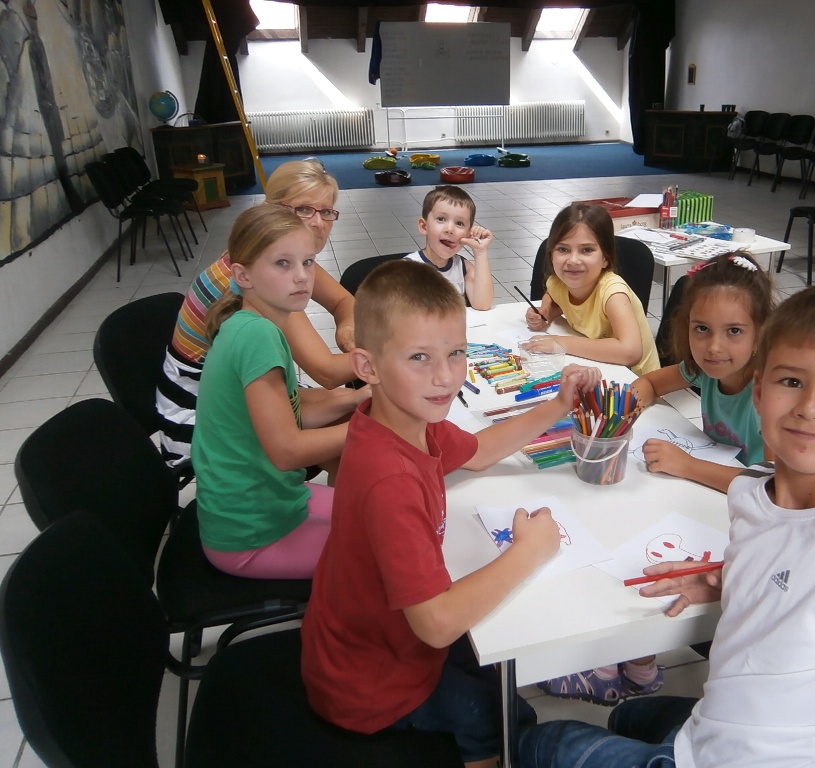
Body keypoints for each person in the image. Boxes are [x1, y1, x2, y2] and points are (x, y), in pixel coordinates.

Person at [518, 283, 815, 768]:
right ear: (759, 393)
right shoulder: (753, 488)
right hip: (718, 727)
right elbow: (797, 561)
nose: (811, 407)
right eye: (792, 382)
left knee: (543, 742)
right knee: (629, 716)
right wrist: (732, 579)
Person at [300, 259, 603, 768]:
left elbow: (480, 450)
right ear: (367, 367)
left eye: (455, 352)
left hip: (377, 641)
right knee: (499, 718)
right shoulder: (390, 480)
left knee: (503, 681)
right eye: (419, 357)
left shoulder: (405, 418)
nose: (444, 377)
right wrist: (529, 551)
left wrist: (556, 405)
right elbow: (437, 623)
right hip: (369, 684)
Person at [192, 205, 366, 580]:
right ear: (243, 275)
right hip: (251, 534)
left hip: (276, 502)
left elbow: (290, 411)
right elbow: (287, 450)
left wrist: (358, 398)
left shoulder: (250, 321)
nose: (302, 276)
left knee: (377, 511)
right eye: (283, 264)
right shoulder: (257, 336)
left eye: (308, 262)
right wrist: (373, 427)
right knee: (390, 547)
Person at [156, 158, 358, 469]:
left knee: (356, 411)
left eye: (326, 212)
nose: (318, 223)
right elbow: (327, 372)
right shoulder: (261, 285)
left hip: (238, 390)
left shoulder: (274, 254)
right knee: (356, 435)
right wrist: (400, 357)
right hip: (197, 416)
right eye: (304, 209)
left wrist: (346, 327)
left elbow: (343, 301)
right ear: (271, 209)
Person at [631, 251, 775, 494]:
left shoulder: (770, 396)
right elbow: (650, 384)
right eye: (702, 328)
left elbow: (771, 483)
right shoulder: (702, 369)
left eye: (734, 331)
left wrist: (687, 465)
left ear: (760, 334)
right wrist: (621, 415)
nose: (714, 347)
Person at [523, 202, 659, 376]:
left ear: (605, 258)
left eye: (586, 250)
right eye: (563, 249)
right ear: (551, 256)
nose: (573, 260)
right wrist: (546, 312)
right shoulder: (557, 283)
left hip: (634, 380)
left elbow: (630, 351)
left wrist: (560, 343)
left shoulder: (612, 292)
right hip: (598, 368)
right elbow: (553, 297)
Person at [406, 184, 495, 310]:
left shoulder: (463, 267)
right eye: (441, 219)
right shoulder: (406, 269)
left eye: (459, 223)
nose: (450, 229)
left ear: (468, 234)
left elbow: (483, 304)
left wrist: (480, 252)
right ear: (424, 226)